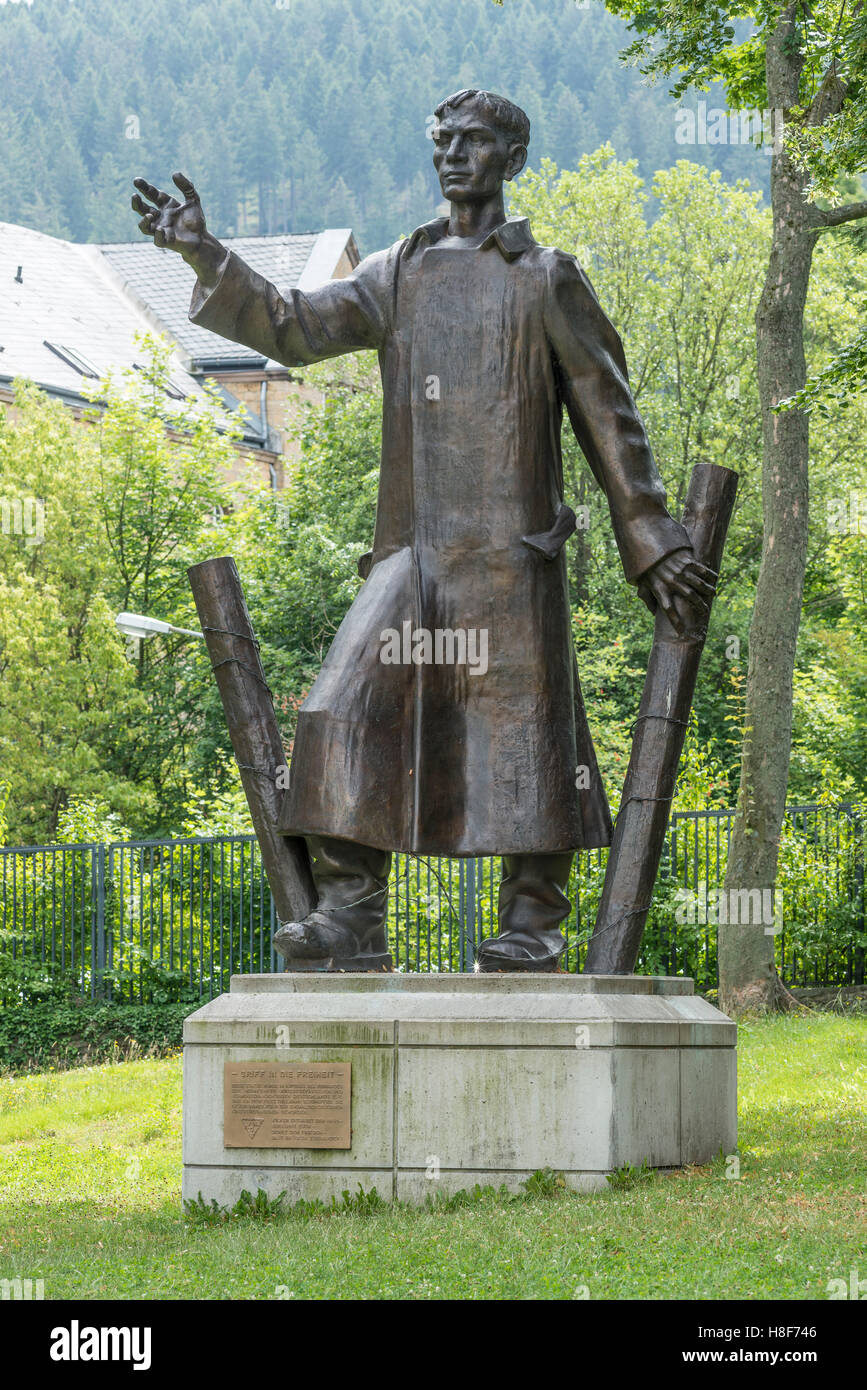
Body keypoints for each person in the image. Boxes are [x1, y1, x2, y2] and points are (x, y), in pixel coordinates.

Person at [132, 88, 714, 972]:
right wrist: (205, 253)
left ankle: (531, 924)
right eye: (443, 140)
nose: (452, 156)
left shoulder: (543, 276)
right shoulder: (398, 271)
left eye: (474, 142)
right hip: (412, 554)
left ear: (510, 160)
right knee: (342, 707)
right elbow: (292, 326)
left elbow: (608, 412)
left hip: (512, 556)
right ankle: (351, 914)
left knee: (521, 734)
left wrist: (651, 533)